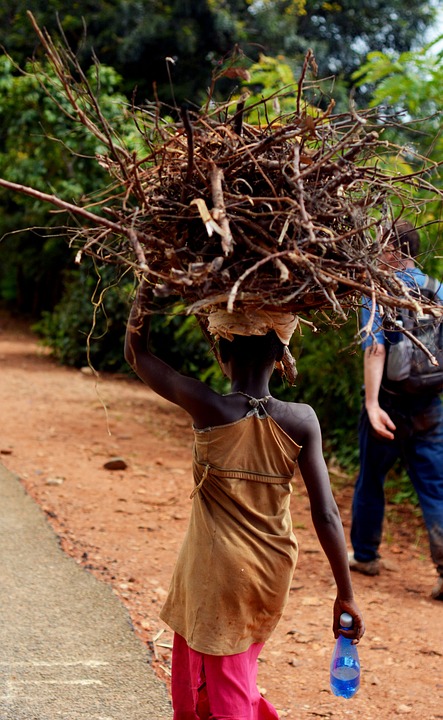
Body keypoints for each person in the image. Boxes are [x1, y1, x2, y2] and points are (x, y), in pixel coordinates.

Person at [125, 279, 364, 720]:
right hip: (270, 571)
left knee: (222, 684)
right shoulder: (302, 420)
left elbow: (137, 355)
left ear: (222, 353)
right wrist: (345, 593)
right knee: (235, 670)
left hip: (215, 574)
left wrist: (146, 286)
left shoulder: (208, 406)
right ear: (281, 356)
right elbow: (326, 513)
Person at [349, 219, 443, 601]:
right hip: (429, 405)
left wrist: (372, 405)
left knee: (371, 477)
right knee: (436, 488)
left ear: (392, 250)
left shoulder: (378, 290)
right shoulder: (437, 289)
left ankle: (366, 556)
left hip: (387, 402)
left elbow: (375, 348)